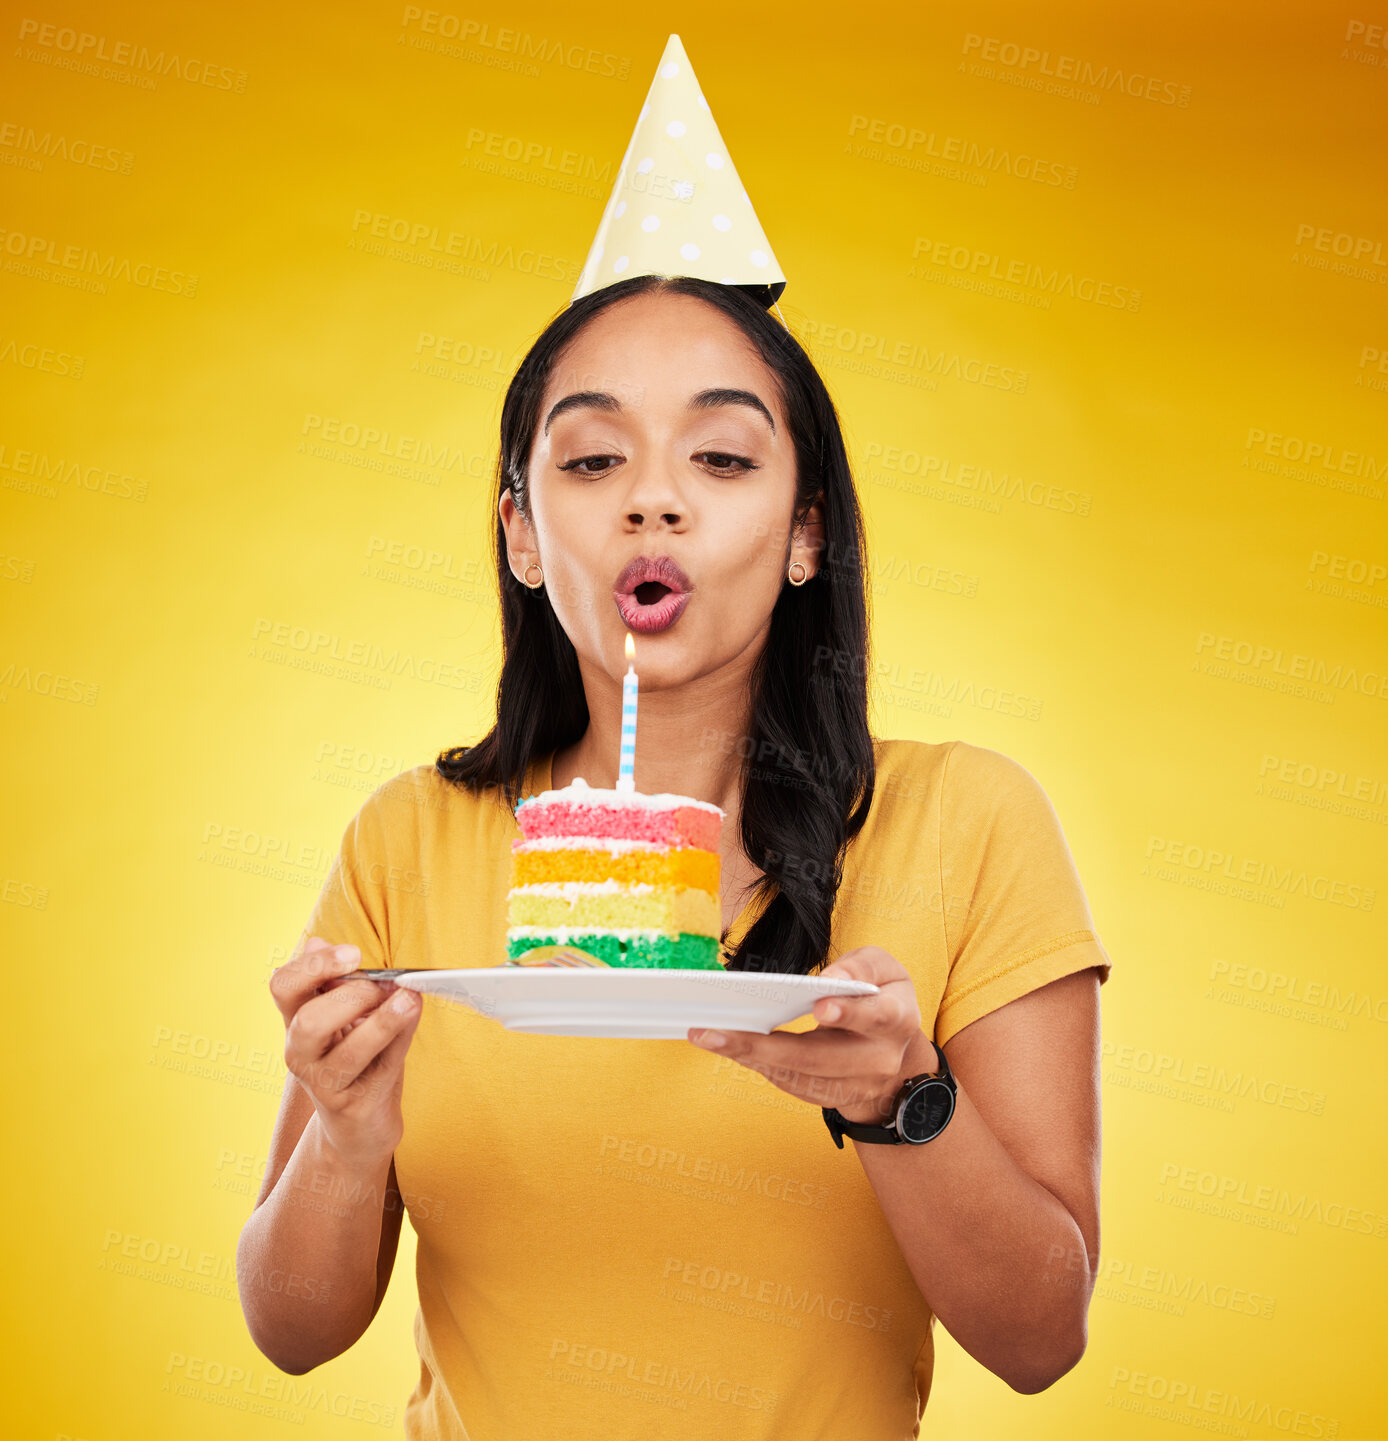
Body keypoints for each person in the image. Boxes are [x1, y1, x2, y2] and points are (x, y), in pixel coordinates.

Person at [237, 274, 1113, 1440]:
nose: (651, 501)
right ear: (522, 536)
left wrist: (900, 1100)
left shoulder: (964, 818)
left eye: (721, 459)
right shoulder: (408, 835)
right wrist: (346, 1140)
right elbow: (293, 1331)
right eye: (594, 461)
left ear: (807, 529)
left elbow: (1040, 1338)